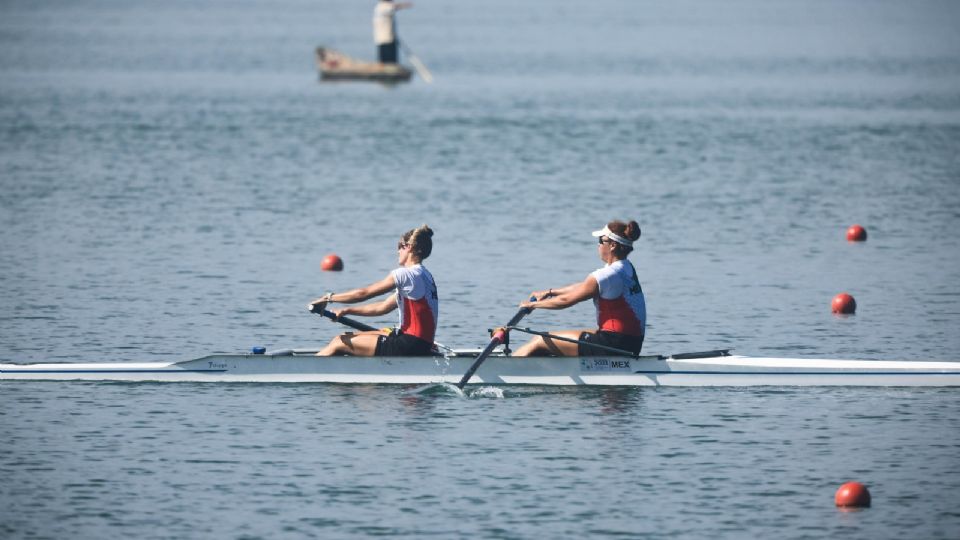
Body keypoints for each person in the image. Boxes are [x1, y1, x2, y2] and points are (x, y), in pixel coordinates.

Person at [513, 220, 646, 357]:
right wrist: (550, 292)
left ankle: (506, 369)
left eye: (601, 240)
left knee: (540, 340)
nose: (598, 245)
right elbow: (584, 287)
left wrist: (532, 305)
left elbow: (566, 301)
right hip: (631, 343)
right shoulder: (626, 268)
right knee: (560, 340)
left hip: (614, 345)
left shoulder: (607, 275)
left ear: (612, 245)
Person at [309, 225, 438, 356]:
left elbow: (362, 294)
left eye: (400, 246)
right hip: (420, 343)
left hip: (409, 344)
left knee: (339, 341)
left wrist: (328, 298)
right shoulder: (425, 276)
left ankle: (308, 372)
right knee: (347, 336)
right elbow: (382, 307)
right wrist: (346, 310)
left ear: (408, 247)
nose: (397, 251)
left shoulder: (405, 275)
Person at [373, 0, 413, 64]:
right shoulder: (383, 7)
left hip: (384, 39)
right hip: (387, 40)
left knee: (386, 62)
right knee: (389, 63)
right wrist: (404, 5)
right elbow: (392, 8)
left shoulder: (379, 7)